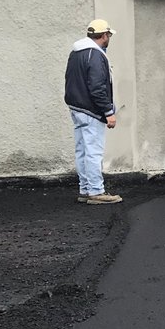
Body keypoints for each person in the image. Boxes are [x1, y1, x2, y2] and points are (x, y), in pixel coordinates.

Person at [64, 19, 121, 204]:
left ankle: (85, 189)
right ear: (104, 35)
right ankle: (96, 191)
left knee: (82, 150)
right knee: (94, 151)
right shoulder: (96, 55)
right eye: (109, 35)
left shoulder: (76, 52)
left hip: (76, 107)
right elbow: (97, 88)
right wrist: (108, 112)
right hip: (91, 110)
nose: (109, 38)